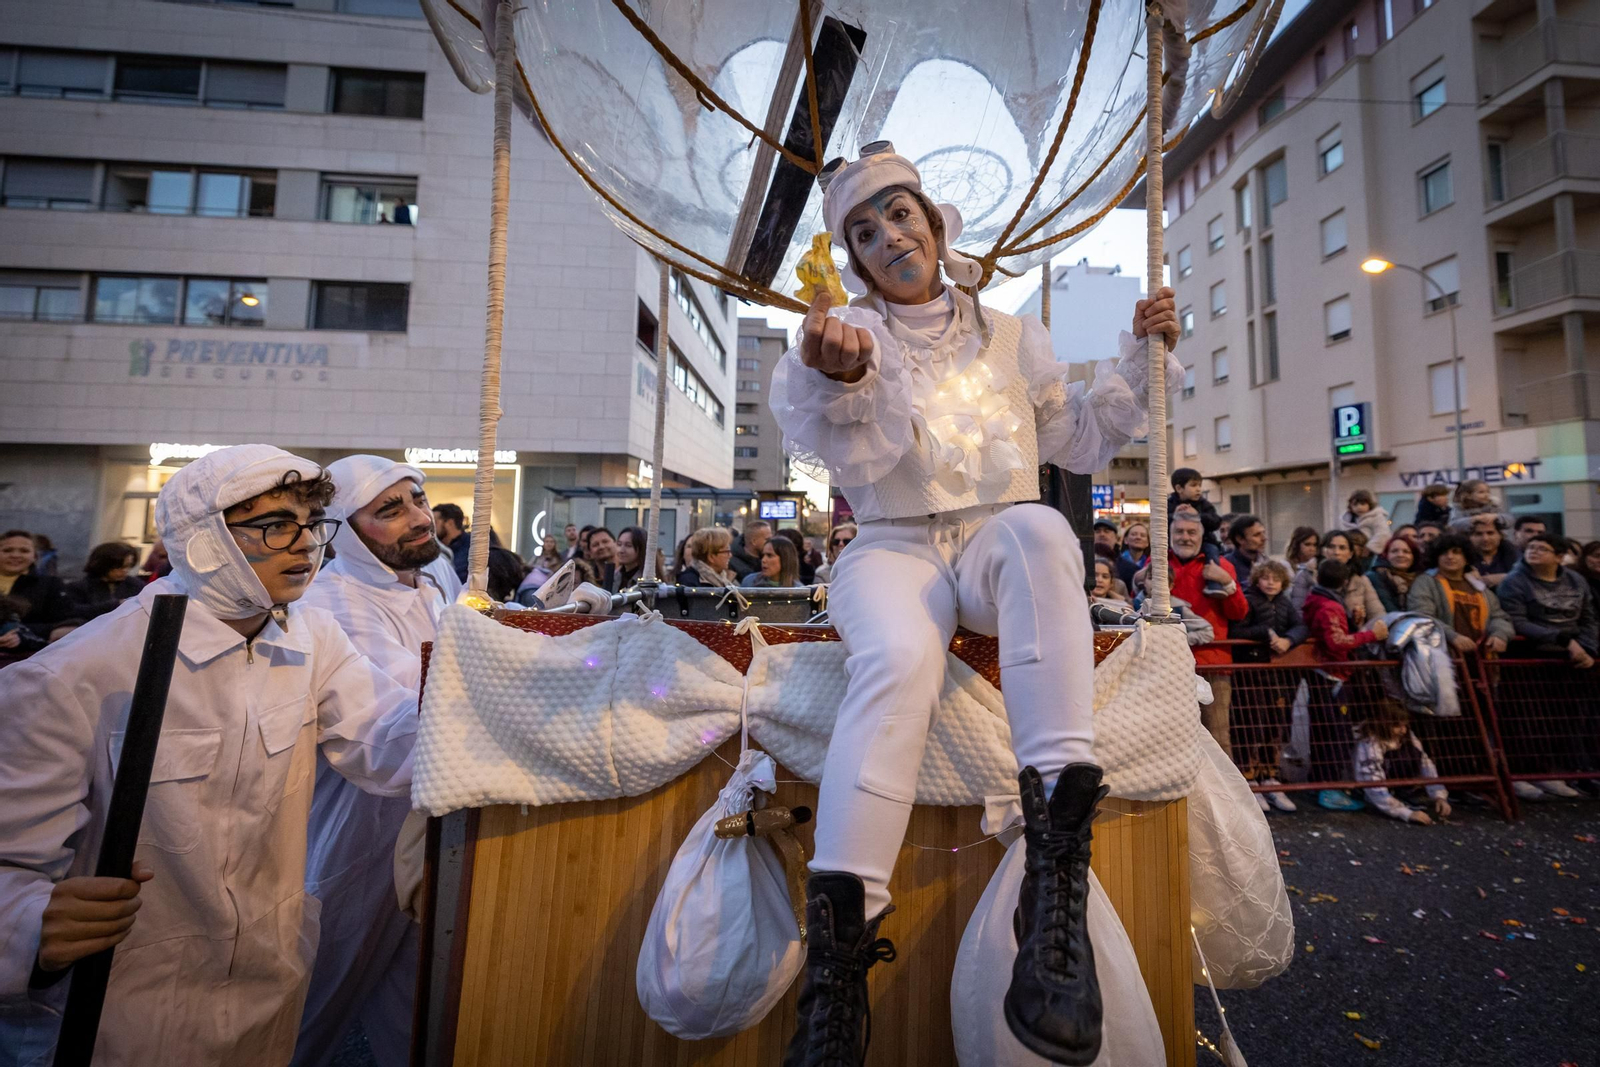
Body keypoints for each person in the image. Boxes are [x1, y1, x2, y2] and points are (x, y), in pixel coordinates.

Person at [767, 142, 1179, 1064]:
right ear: (853, 256)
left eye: (898, 215)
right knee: (900, 658)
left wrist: (1140, 352)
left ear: (932, 218)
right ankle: (836, 987)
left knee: (1041, 531)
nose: (888, 239)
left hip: (996, 536)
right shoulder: (843, 336)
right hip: (892, 543)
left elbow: (1072, 439)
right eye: (862, 233)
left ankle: (1056, 889)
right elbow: (845, 448)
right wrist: (837, 374)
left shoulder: (1012, 335)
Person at [0, 445, 422, 1065]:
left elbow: (387, 743)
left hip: (263, 999)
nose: (305, 544)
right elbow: (10, 866)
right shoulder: (75, 675)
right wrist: (32, 925)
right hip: (119, 1019)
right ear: (204, 541)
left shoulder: (310, 636)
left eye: (310, 524)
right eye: (275, 525)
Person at [293, 456, 461, 1067]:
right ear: (343, 529)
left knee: (417, 996)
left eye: (417, 500)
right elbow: (393, 719)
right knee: (316, 1000)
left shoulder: (436, 575)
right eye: (389, 511)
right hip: (359, 824)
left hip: (436, 815)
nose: (418, 519)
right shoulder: (329, 601)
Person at [1300, 558, 1390, 810]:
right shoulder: (1329, 605)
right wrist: (1372, 634)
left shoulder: (1317, 600)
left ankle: (1320, 785)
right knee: (1334, 735)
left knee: (1325, 732)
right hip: (1333, 677)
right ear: (1345, 582)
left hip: (1325, 674)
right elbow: (1337, 642)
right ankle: (1329, 789)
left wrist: (1353, 621)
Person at [1165, 512, 1249, 753]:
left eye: (1191, 532)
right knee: (1172, 738)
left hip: (1213, 663)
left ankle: (1224, 792)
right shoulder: (1158, 563)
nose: (1185, 537)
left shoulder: (1222, 566)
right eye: (1179, 532)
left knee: (1218, 737)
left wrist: (1228, 584)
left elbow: (1238, 613)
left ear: (1202, 536)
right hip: (1169, 662)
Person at [1230, 560, 1306, 813]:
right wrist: (1267, 632)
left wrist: (1289, 639)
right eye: (1266, 578)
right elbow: (1237, 629)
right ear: (1256, 580)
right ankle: (1250, 778)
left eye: (1276, 578)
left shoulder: (1284, 602)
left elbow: (1301, 626)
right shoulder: (1249, 599)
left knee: (1276, 725)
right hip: (1251, 672)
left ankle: (1271, 777)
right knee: (1251, 725)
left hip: (1276, 675)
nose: (1271, 582)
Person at [1496, 532, 1598, 668]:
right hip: (1533, 651)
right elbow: (1516, 621)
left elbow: (1588, 618)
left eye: (1542, 549)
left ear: (1559, 557)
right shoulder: (1513, 582)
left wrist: (1588, 648)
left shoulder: (1576, 580)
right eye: (1530, 547)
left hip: (1576, 648)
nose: (1534, 551)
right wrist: (1563, 640)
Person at [1405, 533, 1514, 657]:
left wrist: (1499, 634)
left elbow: (1499, 617)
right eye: (1444, 553)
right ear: (1436, 557)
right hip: (1444, 658)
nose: (1450, 557)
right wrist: (1452, 636)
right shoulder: (1426, 582)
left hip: (1482, 660)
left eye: (1456, 552)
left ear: (1466, 557)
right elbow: (1423, 617)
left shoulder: (1479, 588)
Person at [1352, 703, 1452, 825]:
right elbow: (1372, 782)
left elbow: (1425, 764)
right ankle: (1391, 796)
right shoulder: (1369, 743)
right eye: (1397, 726)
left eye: (1405, 725)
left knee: (1413, 753)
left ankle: (1401, 791)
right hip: (1371, 790)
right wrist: (1405, 813)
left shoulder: (1407, 736)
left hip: (1392, 782)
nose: (1403, 731)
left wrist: (1439, 795)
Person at [1290, 530, 1383, 627]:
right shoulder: (1306, 575)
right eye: (1331, 547)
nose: (1336, 552)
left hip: (1356, 637)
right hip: (1316, 635)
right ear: (1322, 551)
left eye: (1342, 548)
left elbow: (1377, 614)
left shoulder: (1360, 580)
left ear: (1350, 554)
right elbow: (1298, 613)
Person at [0, 529, 75, 644]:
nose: (15, 555)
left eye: (24, 551)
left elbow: (63, 624)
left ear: (34, 556)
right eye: (7, 550)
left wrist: (20, 635)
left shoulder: (50, 585)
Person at [1168, 468, 1227, 596]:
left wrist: (1198, 515)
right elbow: (1160, 522)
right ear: (1179, 488)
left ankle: (1214, 584)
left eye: (1200, 485)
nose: (1198, 489)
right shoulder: (1170, 504)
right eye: (1193, 485)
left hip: (1205, 542)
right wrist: (1175, 514)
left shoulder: (1203, 504)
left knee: (1212, 552)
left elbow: (1216, 521)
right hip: (1174, 545)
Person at [63, 542, 144, 622]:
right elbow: (73, 611)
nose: (125, 571)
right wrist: (114, 605)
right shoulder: (79, 587)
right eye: (119, 567)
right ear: (104, 565)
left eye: (129, 566)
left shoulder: (134, 585)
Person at [1369, 532, 1423, 614]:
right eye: (1394, 551)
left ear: (1414, 556)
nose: (1400, 555)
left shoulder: (1421, 581)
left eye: (1406, 552)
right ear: (1386, 555)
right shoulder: (1376, 577)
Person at [1468, 513, 1519, 588]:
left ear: (1500, 535)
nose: (1485, 539)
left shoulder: (1512, 553)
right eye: (1479, 534)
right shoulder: (1464, 557)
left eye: (1490, 533)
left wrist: (1505, 578)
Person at [1448, 479, 1513, 531]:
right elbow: (1453, 524)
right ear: (1468, 495)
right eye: (1481, 492)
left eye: (1488, 492)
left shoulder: (1492, 506)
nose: (1486, 495)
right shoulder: (1459, 508)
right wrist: (1474, 519)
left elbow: (1509, 520)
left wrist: (1495, 517)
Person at [1341, 489, 1393, 553]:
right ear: (1350, 506)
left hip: (1369, 552)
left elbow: (1383, 534)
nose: (1359, 507)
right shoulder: (1347, 520)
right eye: (1355, 504)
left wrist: (1369, 548)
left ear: (1369, 504)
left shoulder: (1377, 517)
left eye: (1363, 504)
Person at [1223, 514, 1268, 579]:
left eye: (1263, 533)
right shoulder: (1226, 564)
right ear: (1240, 539)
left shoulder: (1266, 562)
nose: (1264, 538)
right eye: (1257, 535)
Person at [1114, 521, 1150, 590]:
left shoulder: (1150, 565)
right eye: (1134, 534)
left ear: (1147, 543)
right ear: (1125, 540)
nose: (1138, 537)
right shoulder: (1116, 562)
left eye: (1142, 535)